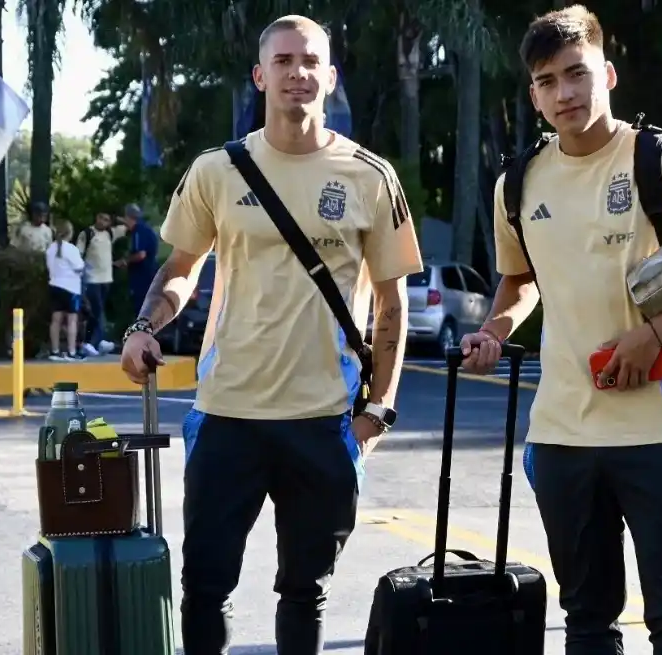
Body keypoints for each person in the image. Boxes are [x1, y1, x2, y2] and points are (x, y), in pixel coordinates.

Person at [458, 5, 662, 655]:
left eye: (577, 73)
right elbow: (519, 281)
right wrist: (493, 329)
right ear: (534, 97)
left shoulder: (661, 161)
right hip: (562, 433)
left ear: (608, 74)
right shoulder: (518, 183)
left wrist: (653, 335)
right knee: (587, 622)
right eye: (546, 81)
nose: (564, 92)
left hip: (660, 429)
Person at [118, 14, 423, 655]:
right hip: (227, 412)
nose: (297, 73)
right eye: (283, 61)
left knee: (305, 591)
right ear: (260, 76)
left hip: (323, 420)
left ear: (330, 77)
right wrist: (145, 326)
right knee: (204, 585)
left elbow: (392, 306)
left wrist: (379, 411)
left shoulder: (371, 176)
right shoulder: (217, 172)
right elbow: (179, 270)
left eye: (310, 61)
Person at [75, 211, 127, 357]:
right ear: (96, 218)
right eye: (101, 218)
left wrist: (120, 218)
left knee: (97, 311)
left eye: (107, 220)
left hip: (106, 279)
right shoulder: (87, 233)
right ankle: (93, 341)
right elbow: (78, 253)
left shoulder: (110, 233)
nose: (104, 222)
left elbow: (128, 226)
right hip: (92, 279)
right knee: (97, 310)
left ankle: (92, 342)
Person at [45, 219, 87, 361]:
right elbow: (80, 267)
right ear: (69, 233)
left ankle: (55, 351)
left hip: (54, 285)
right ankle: (71, 351)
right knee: (71, 321)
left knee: (55, 320)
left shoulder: (50, 249)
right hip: (70, 288)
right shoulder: (71, 249)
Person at [115, 202, 160, 312]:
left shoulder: (139, 230)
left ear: (127, 217)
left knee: (142, 309)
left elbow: (141, 255)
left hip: (143, 277)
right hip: (146, 276)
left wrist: (124, 261)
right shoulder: (144, 228)